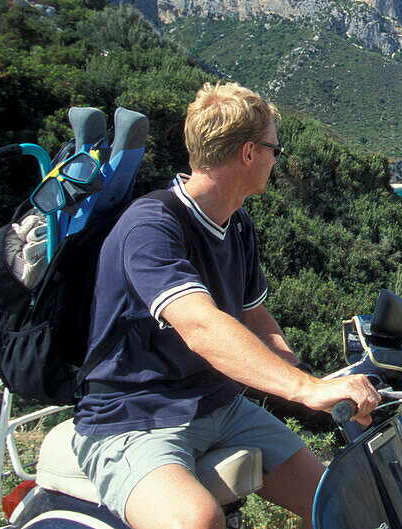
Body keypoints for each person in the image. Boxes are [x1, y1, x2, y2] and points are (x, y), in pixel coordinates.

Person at [72, 82, 380, 529]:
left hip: (218, 404)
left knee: (348, 506)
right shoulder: (150, 225)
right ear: (249, 153)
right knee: (196, 521)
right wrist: (305, 391)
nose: (278, 159)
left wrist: (308, 381)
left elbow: (255, 317)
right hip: (133, 415)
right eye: (275, 148)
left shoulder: (235, 224)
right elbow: (200, 326)